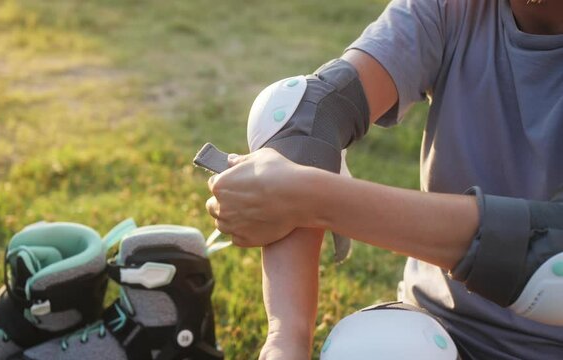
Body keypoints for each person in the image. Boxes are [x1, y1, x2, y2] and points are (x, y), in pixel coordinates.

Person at [205, 0, 563, 359]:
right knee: (372, 349)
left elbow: (550, 252)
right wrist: (287, 339)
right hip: (441, 332)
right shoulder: (454, 8)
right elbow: (314, 115)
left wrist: (312, 197)